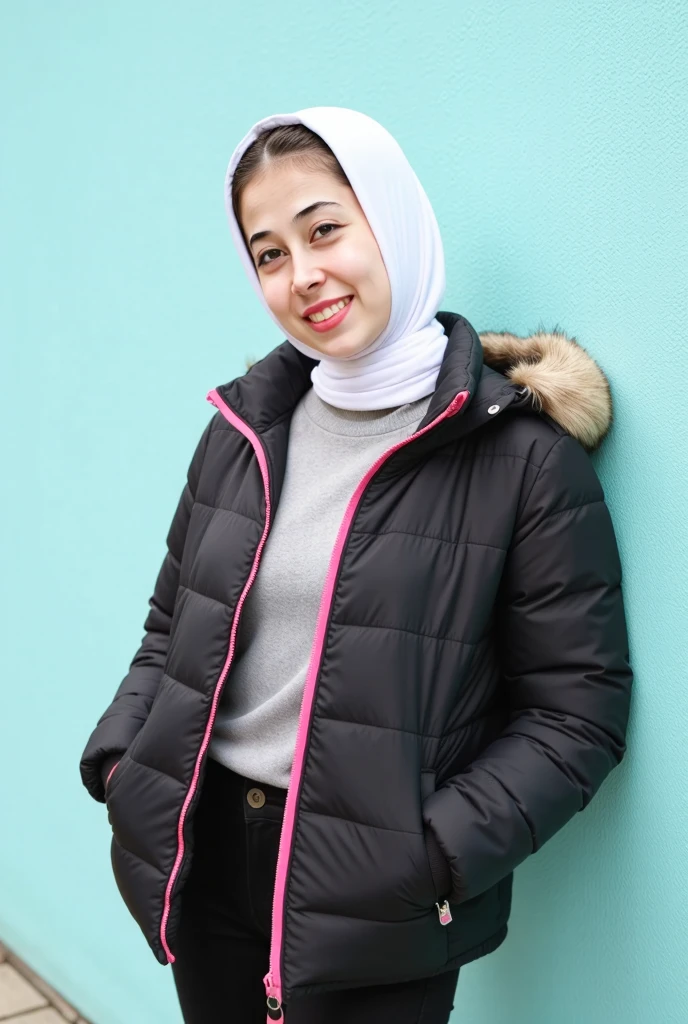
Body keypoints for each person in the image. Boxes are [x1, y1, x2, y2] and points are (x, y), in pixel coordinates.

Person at [80, 107, 633, 1024]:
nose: (303, 275)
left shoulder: (521, 459)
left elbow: (579, 712)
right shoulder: (242, 434)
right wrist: (122, 762)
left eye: (325, 229)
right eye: (268, 253)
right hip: (204, 851)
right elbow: (168, 632)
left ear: (394, 220)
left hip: (382, 896)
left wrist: (432, 854)